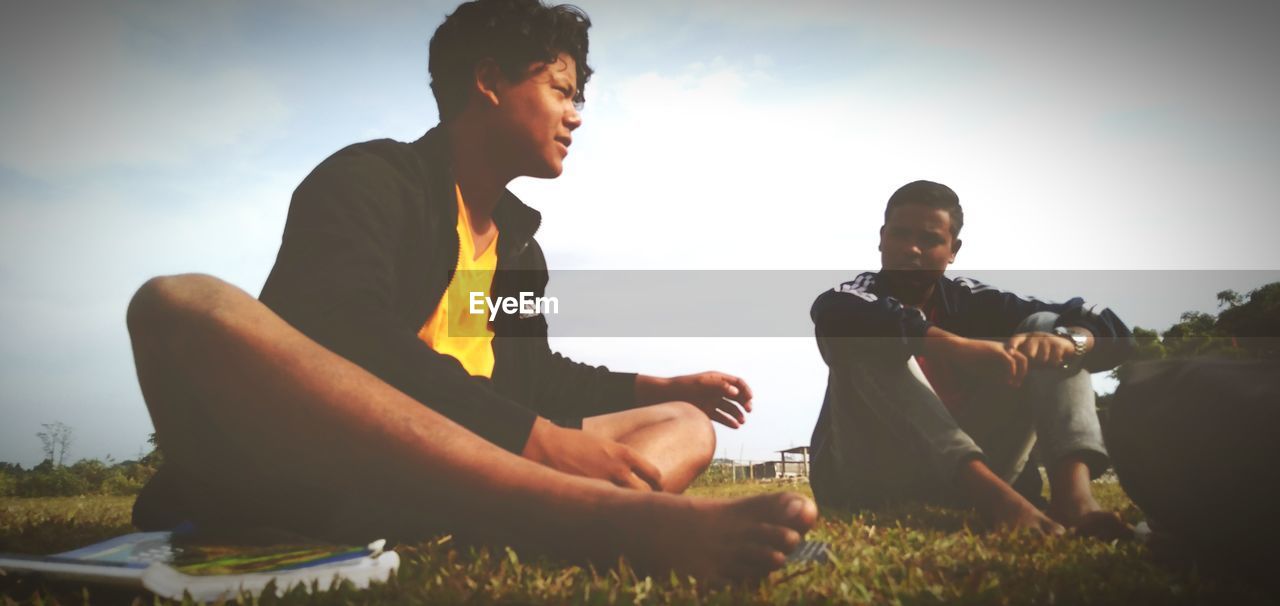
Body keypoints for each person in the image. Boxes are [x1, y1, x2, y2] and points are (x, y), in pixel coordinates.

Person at [127, 0, 816, 581]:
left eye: (578, 98)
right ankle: (593, 519)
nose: (577, 115)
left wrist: (660, 384)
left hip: (469, 473)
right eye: (561, 90)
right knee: (178, 304)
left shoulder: (520, 251)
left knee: (683, 424)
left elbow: (536, 373)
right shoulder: (374, 181)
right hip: (324, 467)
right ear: (489, 80)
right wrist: (535, 440)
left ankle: (515, 510)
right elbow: (339, 330)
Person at [808, 180, 1135, 538]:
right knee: (868, 341)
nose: (912, 249)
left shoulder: (975, 301)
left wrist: (1073, 341)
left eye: (930, 239)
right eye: (900, 235)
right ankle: (1000, 504)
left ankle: (1074, 501)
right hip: (876, 474)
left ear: (953, 250)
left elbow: (1107, 323)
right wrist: (960, 347)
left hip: (985, 464)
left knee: (1047, 329)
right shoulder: (854, 298)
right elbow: (834, 315)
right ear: (882, 238)